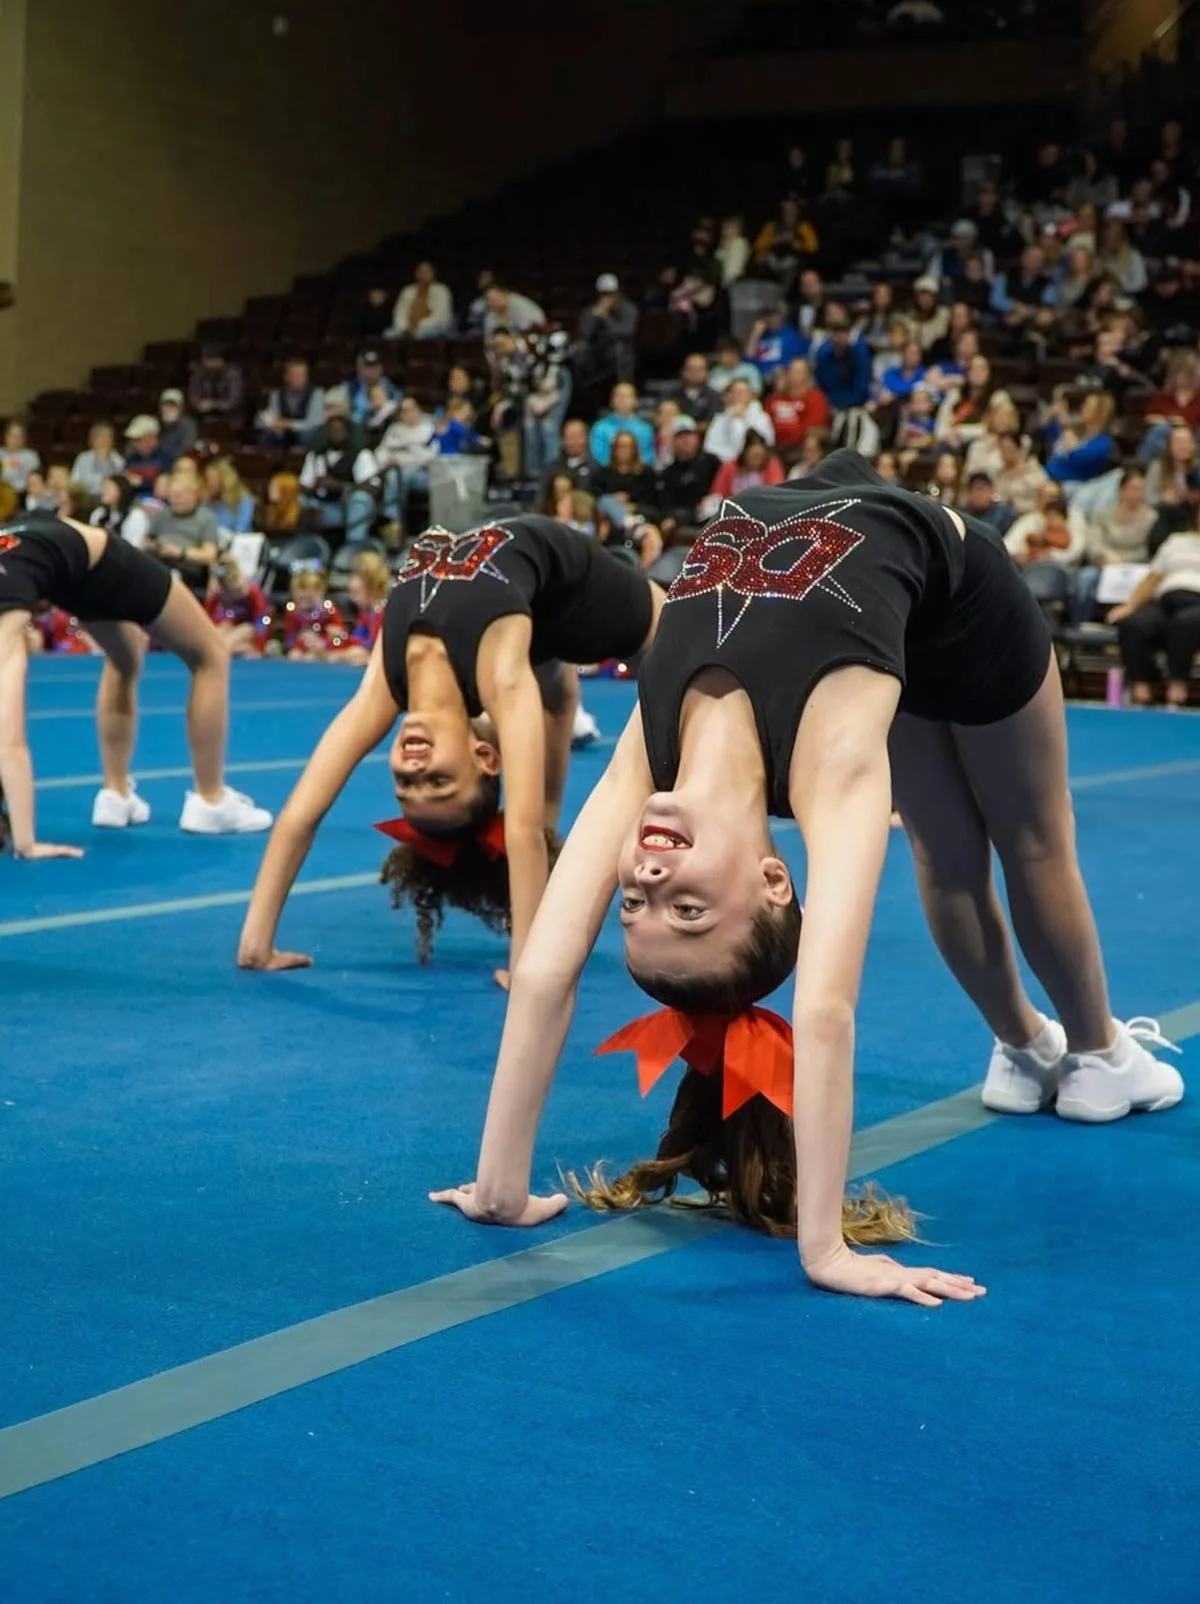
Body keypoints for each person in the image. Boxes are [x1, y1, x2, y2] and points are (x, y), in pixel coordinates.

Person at [432, 451, 1182, 1304]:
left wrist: (500, 1186)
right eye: (687, 906)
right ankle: (1086, 1052)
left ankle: (1035, 1051)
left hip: (853, 539)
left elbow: (543, 969)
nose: (643, 870)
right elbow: (825, 1010)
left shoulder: (652, 755)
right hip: (964, 607)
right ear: (773, 880)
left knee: (963, 848)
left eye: (633, 901)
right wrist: (824, 1249)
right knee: (1014, 844)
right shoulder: (836, 771)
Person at [237, 516, 664, 987]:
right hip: (575, 590)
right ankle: (561, 701)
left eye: (405, 782)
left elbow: (301, 813)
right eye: (437, 781)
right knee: (676, 636)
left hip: (527, 605)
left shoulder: (384, 688)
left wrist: (256, 941)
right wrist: (528, 964)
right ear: (485, 757)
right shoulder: (502, 679)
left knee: (555, 691)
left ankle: (557, 695)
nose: (415, 767)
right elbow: (521, 832)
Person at [0, 511, 272, 850]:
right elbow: (9, 743)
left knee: (125, 660)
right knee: (210, 656)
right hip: (86, 561)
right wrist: (27, 844)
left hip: (71, 569)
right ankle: (210, 801)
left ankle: (116, 795)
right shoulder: (7, 619)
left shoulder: (8, 606)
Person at [1109, 521, 1200, 707]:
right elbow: (1153, 577)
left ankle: (1177, 685)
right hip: (1166, 600)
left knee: (1184, 623)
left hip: (1197, 602)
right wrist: (1129, 605)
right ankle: (1143, 685)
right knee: (1134, 624)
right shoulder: (1176, 541)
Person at [204, 557, 273, 657]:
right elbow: (207, 616)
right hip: (231, 623)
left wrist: (259, 647)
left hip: (250, 627)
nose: (230, 595)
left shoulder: (252, 591)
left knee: (225, 644)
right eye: (227, 592)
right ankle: (244, 649)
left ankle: (252, 649)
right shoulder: (219, 591)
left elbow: (262, 621)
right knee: (214, 641)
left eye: (234, 591)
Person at [70, 422, 124, 499]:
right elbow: (74, 482)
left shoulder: (118, 460)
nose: (103, 443)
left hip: (110, 498)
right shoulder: (83, 458)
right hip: (87, 499)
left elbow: (121, 484)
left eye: (106, 440)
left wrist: (105, 460)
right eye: (99, 439)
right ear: (92, 441)